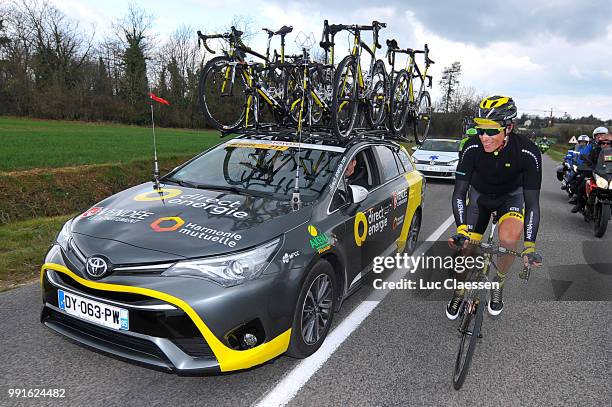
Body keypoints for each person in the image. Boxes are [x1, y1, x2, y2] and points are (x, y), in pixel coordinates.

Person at [447, 95, 543, 319]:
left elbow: (532, 205)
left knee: (509, 240)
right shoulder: (471, 147)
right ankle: (460, 290)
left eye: (491, 131)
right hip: (480, 198)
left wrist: (529, 246)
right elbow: (460, 193)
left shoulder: (528, 152)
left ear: (509, 127)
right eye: (480, 130)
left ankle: (498, 283)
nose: (484, 137)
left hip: (511, 198)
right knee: (466, 248)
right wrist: (462, 229)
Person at [571, 127, 609, 213]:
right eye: (597, 136)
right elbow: (586, 158)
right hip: (595, 172)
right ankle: (579, 204)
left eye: (602, 135)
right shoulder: (594, 149)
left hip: (608, 174)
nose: (599, 137)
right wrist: (584, 165)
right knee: (582, 185)